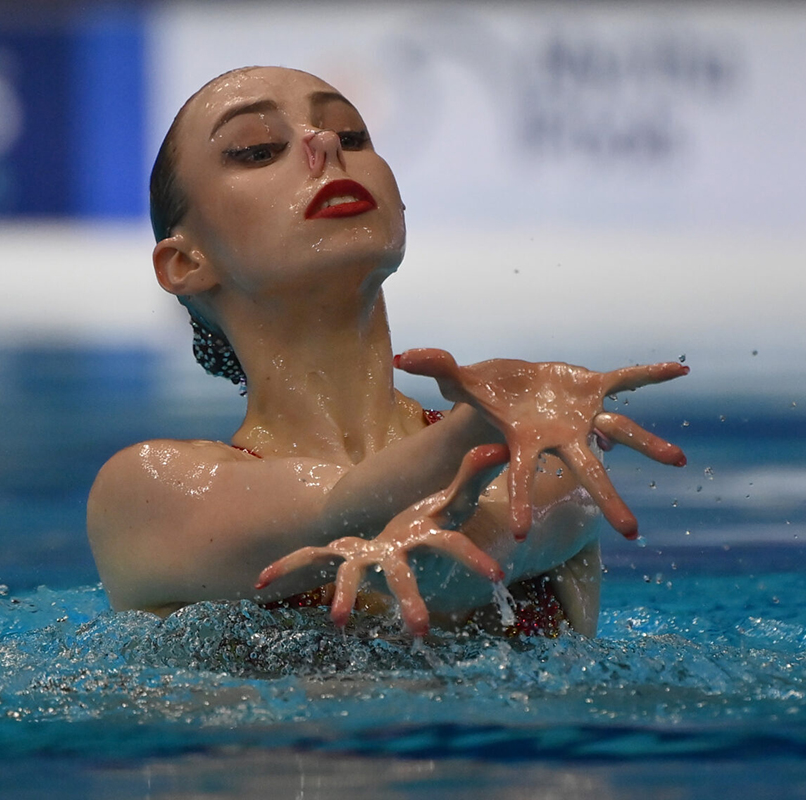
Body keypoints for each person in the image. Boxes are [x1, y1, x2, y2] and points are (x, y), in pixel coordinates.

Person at [86, 66, 687, 638]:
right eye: (257, 149)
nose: (323, 143)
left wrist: (488, 435)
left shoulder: (537, 453)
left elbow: (464, 567)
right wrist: (475, 428)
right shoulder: (147, 491)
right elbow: (335, 508)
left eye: (351, 134)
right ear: (185, 263)